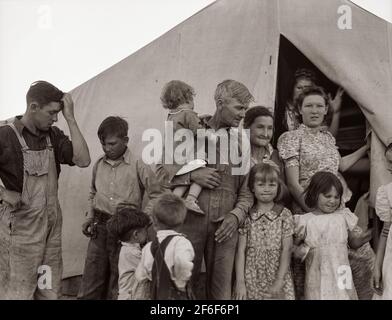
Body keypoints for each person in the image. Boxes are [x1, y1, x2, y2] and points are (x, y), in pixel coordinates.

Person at [156, 79, 255, 299]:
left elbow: (247, 192)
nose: (242, 114)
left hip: (225, 229)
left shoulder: (242, 143)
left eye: (245, 109)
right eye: (239, 108)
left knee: (222, 295)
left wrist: (235, 217)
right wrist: (191, 175)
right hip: (188, 222)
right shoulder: (188, 130)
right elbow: (161, 172)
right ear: (220, 103)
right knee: (179, 290)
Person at [0, 80, 91, 300]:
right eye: (51, 112)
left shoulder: (53, 135)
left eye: (58, 113)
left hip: (51, 230)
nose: (55, 118)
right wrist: (3, 194)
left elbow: (83, 159)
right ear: (33, 107)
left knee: (48, 291)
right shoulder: (5, 134)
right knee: (17, 293)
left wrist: (70, 117)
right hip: (19, 234)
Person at [277, 85, 369, 299]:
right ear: (299, 109)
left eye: (319, 106)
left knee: (355, 262)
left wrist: (367, 147)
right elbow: (292, 183)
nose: (315, 110)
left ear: (327, 109)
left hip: (335, 210)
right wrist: (315, 213)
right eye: (309, 105)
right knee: (314, 268)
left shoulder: (328, 138)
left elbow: (341, 165)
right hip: (310, 211)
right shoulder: (291, 138)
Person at [78, 116, 164, 300]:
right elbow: (93, 193)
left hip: (125, 233)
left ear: (125, 140)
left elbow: (157, 195)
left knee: (119, 282)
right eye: (103, 145)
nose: (107, 149)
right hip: (99, 228)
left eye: (112, 144)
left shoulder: (138, 164)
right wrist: (89, 216)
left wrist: (140, 219)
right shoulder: (99, 164)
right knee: (92, 280)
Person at [294, 172, 371, 300]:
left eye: (337, 197)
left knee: (344, 296)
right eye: (327, 196)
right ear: (314, 194)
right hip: (318, 274)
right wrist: (299, 251)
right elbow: (295, 248)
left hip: (342, 271)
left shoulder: (343, 217)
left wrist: (363, 239)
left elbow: (352, 243)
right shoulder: (305, 221)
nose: (333, 201)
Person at [234, 162, 295, 300]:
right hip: (251, 275)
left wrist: (280, 281)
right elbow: (241, 251)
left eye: (272, 184)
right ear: (252, 188)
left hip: (277, 272)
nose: (266, 189)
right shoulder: (247, 215)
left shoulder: (284, 214)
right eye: (261, 184)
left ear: (278, 186)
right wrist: (240, 283)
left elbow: (287, 249)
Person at [161, 80, 215, 215]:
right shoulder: (188, 113)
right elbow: (198, 131)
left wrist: (198, 117)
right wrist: (212, 135)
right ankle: (191, 198)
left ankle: (174, 200)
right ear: (188, 98)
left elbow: (184, 125)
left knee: (182, 182)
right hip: (188, 154)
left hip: (175, 158)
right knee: (202, 167)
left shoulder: (171, 116)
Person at [136, 193, 195, 300]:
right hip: (177, 295)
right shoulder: (182, 243)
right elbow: (182, 263)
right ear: (182, 223)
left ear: (154, 223)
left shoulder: (148, 247)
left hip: (155, 294)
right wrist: (181, 283)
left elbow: (140, 276)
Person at [283, 68, 343, 137]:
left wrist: (336, 112)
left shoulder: (316, 108)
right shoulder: (284, 109)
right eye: (299, 88)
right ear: (292, 89)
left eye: (307, 87)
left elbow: (329, 138)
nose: (303, 91)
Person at [106, 208, 151, 300]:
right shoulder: (132, 253)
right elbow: (150, 269)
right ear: (136, 234)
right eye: (145, 230)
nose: (147, 233)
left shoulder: (127, 249)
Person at [372, 139, 392, 299]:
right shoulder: (387, 192)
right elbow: (385, 231)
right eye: (388, 162)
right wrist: (377, 266)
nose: (389, 167)